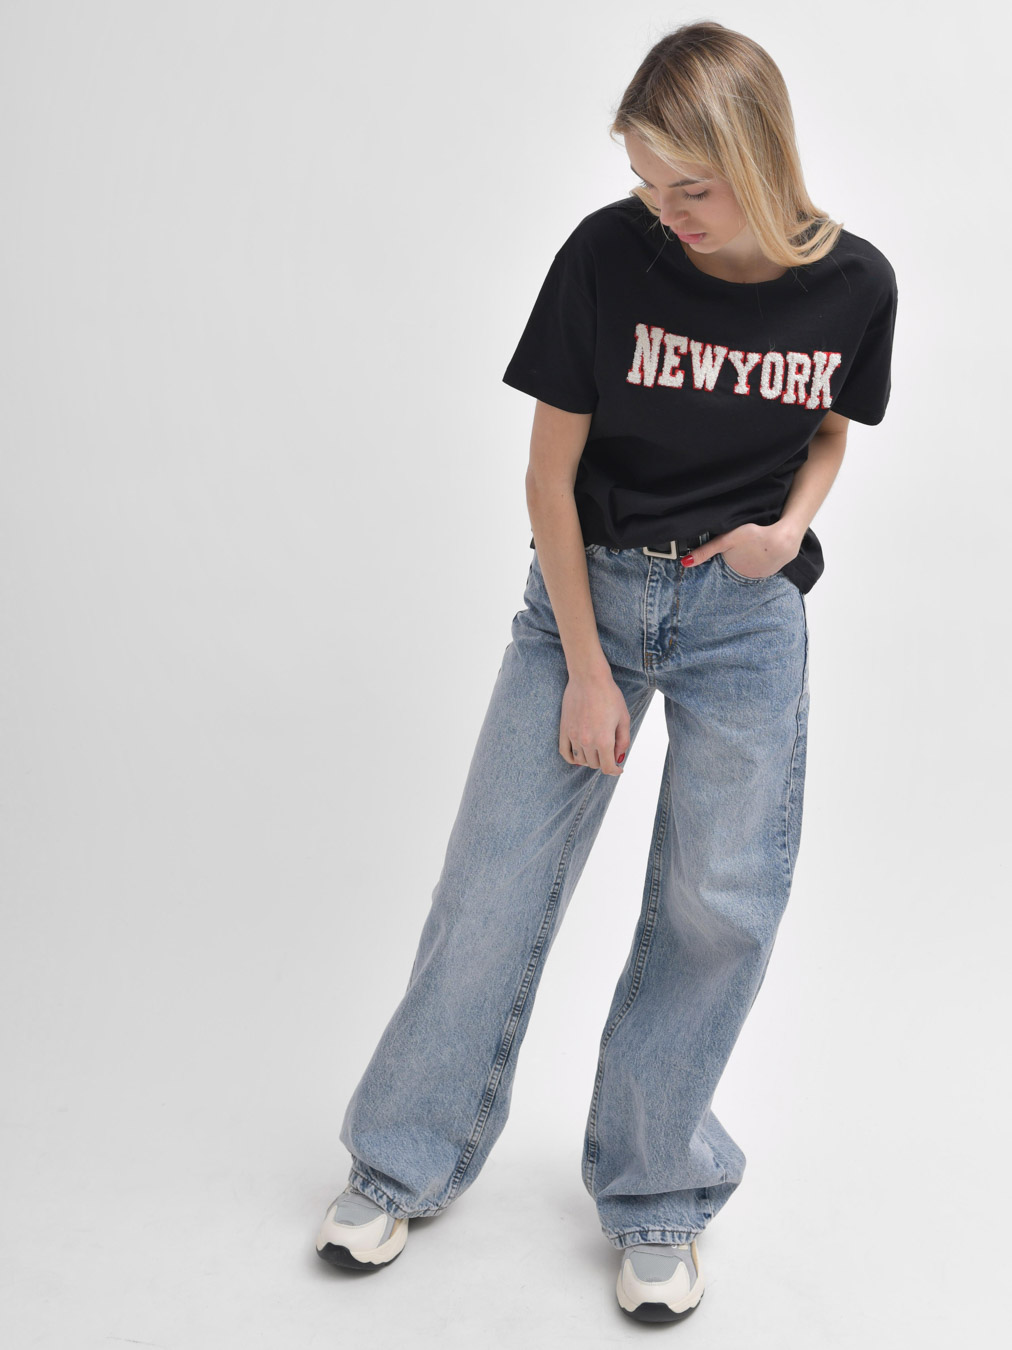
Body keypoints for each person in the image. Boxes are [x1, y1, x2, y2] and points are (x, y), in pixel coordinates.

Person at [314, 20, 898, 1323]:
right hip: (591, 591)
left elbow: (830, 428)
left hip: (747, 618)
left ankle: (657, 1192)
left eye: (692, 186)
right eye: (646, 180)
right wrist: (586, 665)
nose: (665, 212)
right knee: (494, 882)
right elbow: (548, 474)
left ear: (763, 157)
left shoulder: (857, 282)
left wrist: (791, 530)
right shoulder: (607, 256)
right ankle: (400, 1161)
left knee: (719, 904)